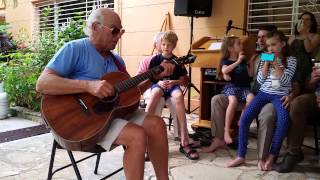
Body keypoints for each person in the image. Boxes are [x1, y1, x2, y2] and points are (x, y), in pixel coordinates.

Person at [36, 8, 175, 180]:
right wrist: (88, 85)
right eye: (114, 30)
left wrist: (154, 79)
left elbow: (131, 94)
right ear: (95, 27)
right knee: (136, 135)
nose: (119, 36)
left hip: (112, 114)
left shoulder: (117, 61)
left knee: (157, 124)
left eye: (121, 31)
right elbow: (42, 83)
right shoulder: (74, 49)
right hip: (84, 122)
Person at [203, 25, 278, 170]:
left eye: (264, 37)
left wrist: (263, 58)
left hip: (260, 94)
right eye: (259, 36)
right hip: (239, 91)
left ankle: (262, 157)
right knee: (216, 99)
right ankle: (219, 138)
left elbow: (273, 65)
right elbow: (228, 72)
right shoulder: (254, 55)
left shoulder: (266, 55)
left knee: (257, 109)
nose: (260, 39)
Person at [227, 30, 297, 170]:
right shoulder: (265, 57)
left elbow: (285, 81)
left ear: (282, 44)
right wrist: (265, 64)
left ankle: (272, 156)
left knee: (284, 120)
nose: (270, 49)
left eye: (274, 45)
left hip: (279, 95)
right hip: (263, 93)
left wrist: (276, 64)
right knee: (245, 118)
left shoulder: (291, 60)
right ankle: (241, 155)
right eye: (268, 46)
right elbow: (260, 80)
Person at [273, 12, 320, 173]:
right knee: (281, 101)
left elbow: (309, 49)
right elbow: (281, 53)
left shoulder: (314, 36)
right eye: (302, 19)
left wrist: (305, 33)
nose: (304, 22)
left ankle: (292, 151)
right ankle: (274, 150)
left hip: (306, 79)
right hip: (292, 76)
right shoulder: (291, 38)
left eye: (308, 20)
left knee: (296, 102)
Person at [146, 31, 199, 160]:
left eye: (169, 45)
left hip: (172, 86)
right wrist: (159, 81)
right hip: (159, 85)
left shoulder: (178, 60)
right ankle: (145, 131)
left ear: (174, 46)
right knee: (156, 93)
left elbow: (184, 81)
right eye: (163, 44)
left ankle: (184, 139)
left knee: (179, 96)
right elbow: (150, 78)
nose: (165, 47)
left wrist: (174, 82)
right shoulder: (156, 59)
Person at [219, 36, 254, 144]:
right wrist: (238, 61)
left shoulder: (243, 60)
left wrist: (250, 63)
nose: (241, 45)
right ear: (231, 48)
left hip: (244, 87)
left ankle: (242, 119)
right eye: (238, 44)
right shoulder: (227, 60)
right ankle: (226, 131)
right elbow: (224, 70)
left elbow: (251, 75)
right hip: (232, 87)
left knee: (251, 98)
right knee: (233, 101)